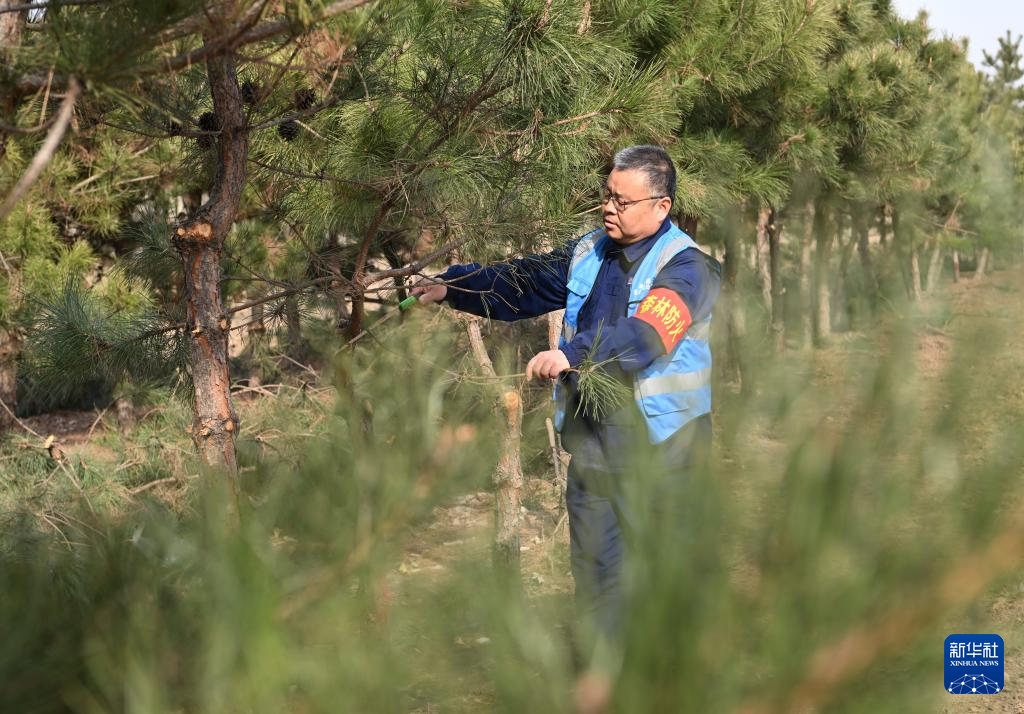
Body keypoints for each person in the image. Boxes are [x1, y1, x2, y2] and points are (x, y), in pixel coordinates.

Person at [412, 144, 721, 691]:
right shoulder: (589, 252)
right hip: (595, 446)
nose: (609, 208)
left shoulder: (688, 268)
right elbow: (524, 283)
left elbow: (648, 334)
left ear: (662, 206)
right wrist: (453, 287)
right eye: (607, 195)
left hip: (664, 451)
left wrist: (572, 354)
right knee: (597, 575)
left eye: (623, 201)